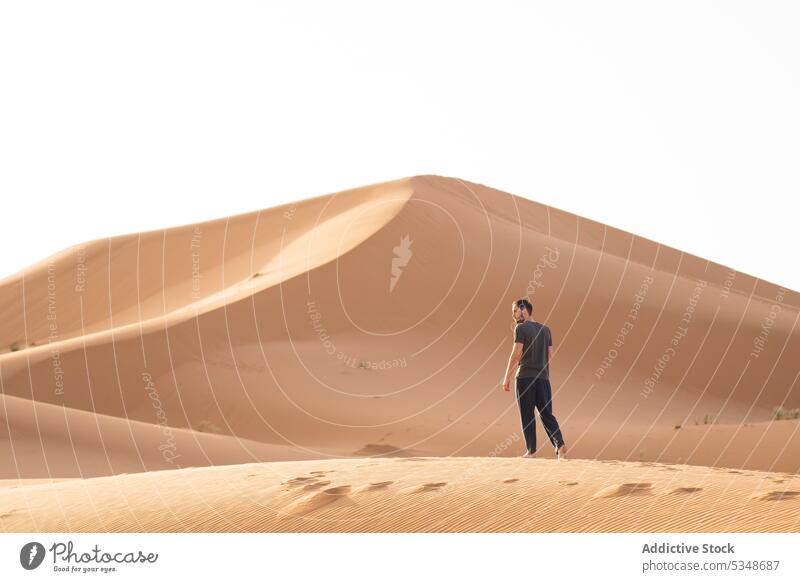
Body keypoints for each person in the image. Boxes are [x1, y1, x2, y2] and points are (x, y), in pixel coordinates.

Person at [502, 298, 567, 459]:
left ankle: (531, 451)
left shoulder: (521, 328)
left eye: (515, 310)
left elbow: (516, 353)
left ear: (524, 309)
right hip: (543, 378)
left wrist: (507, 377)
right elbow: (550, 354)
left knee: (527, 415)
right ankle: (560, 444)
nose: (514, 314)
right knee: (546, 413)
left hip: (525, 377)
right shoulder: (546, 330)